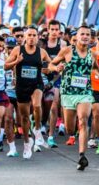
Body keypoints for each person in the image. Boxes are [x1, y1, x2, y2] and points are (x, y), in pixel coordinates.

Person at [48, 25, 99, 171]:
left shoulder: (92, 53)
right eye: (82, 34)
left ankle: (82, 155)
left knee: (83, 121)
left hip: (85, 92)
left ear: (90, 37)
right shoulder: (67, 50)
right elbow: (51, 64)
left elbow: (94, 66)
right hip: (68, 93)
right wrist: (56, 68)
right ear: (76, 36)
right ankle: (74, 133)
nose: (85, 36)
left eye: (87, 34)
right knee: (71, 128)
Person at [6, 26, 51, 157]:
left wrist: (55, 67)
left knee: (37, 105)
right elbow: (5, 66)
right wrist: (16, 61)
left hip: (36, 84)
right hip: (21, 86)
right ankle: (27, 143)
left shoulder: (41, 52)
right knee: (24, 118)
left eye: (34, 35)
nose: (31, 38)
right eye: (29, 35)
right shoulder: (17, 50)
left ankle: (37, 130)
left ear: (38, 38)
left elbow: (51, 63)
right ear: (25, 37)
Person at [41, 20, 66, 148]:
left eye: (57, 30)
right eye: (53, 29)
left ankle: (50, 136)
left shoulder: (62, 45)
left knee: (54, 106)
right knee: (40, 107)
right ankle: (40, 125)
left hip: (56, 78)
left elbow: (63, 65)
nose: (55, 32)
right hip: (40, 77)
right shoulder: (42, 44)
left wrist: (52, 80)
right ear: (48, 30)